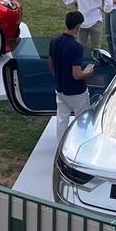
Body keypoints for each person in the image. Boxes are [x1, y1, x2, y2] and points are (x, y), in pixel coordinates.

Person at [49, 12, 95, 140]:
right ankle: (79, 146)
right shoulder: (76, 47)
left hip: (60, 89)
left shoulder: (54, 41)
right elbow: (77, 75)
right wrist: (88, 72)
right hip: (77, 92)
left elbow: (51, 66)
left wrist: (60, 78)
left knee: (61, 120)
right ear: (78, 27)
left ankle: (61, 147)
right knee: (82, 120)